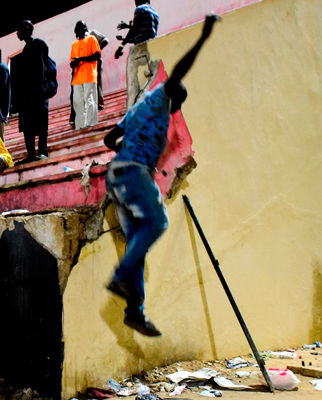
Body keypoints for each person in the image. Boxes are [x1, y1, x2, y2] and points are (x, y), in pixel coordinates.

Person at [103, 14, 219, 336]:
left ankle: (135, 311)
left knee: (137, 241)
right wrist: (203, 37)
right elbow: (179, 72)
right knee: (158, 222)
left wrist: (129, 149)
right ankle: (121, 276)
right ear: (173, 97)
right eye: (175, 105)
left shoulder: (136, 111)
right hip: (132, 173)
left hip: (117, 175)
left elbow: (108, 139)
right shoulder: (160, 99)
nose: (173, 112)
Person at [13, 20, 57, 165]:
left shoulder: (38, 44)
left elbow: (42, 69)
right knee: (27, 125)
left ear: (26, 28)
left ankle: (42, 151)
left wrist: (40, 92)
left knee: (41, 123)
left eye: (19, 29)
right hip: (28, 95)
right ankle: (31, 153)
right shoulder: (26, 49)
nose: (17, 33)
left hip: (39, 92)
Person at [115, 0, 160, 109]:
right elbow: (143, 32)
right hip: (150, 49)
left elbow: (135, 29)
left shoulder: (140, 9)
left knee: (134, 86)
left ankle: (132, 112)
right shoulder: (154, 13)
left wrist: (122, 45)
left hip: (139, 51)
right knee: (147, 81)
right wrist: (127, 34)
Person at [70, 28, 109, 125]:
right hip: (82, 69)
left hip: (93, 63)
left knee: (96, 84)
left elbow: (105, 40)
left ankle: (99, 105)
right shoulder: (77, 43)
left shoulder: (93, 34)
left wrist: (96, 49)